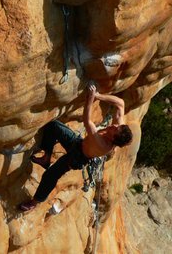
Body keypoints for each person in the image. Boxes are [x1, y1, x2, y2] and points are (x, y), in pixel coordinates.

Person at [19, 83, 133, 211]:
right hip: (77, 143)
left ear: (113, 138)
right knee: (52, 126)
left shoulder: (103, 145)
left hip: (76, 157)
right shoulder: (119, 129)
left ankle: (35, 202)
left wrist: (90, 98)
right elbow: (120, 103)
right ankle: (46, 157)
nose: (115, 125)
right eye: (118, 126)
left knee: (50, 175)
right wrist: (98, 95)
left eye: (116, 129)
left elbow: (87, 121)